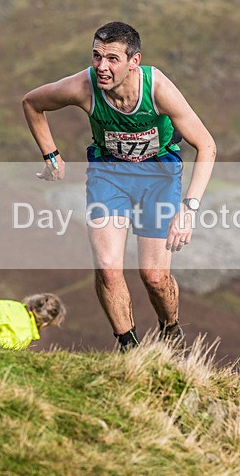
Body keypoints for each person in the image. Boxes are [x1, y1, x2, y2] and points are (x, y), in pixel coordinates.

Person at [22, 21, 216, 352]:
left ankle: (170, 328)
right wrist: (51, 156)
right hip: (108, 174)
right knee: (109, 270)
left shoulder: (158, 89)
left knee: (154, 277)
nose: (102, 67)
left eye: (112, 59)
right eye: (97, 56)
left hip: (159, 175)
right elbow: (32, 103)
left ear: (134, 61)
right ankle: (129, 348)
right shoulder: (84, 86)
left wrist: (189, 209)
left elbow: (206, 146)